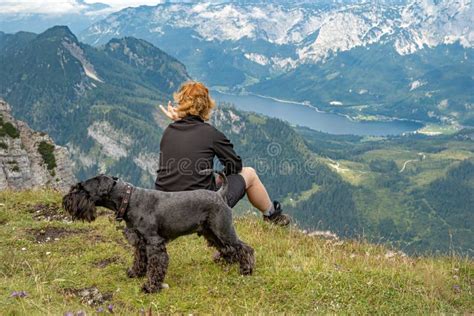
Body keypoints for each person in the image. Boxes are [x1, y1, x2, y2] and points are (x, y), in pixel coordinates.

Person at [156, 81, 290, 226]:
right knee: (249, 173)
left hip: (165, 208)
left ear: (180, 103)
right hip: (199, 213)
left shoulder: (169, 131)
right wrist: (221, 177)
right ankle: (273, 216)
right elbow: (236, 166)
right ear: (206, 106)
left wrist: (180, 119)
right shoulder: (210, 134)